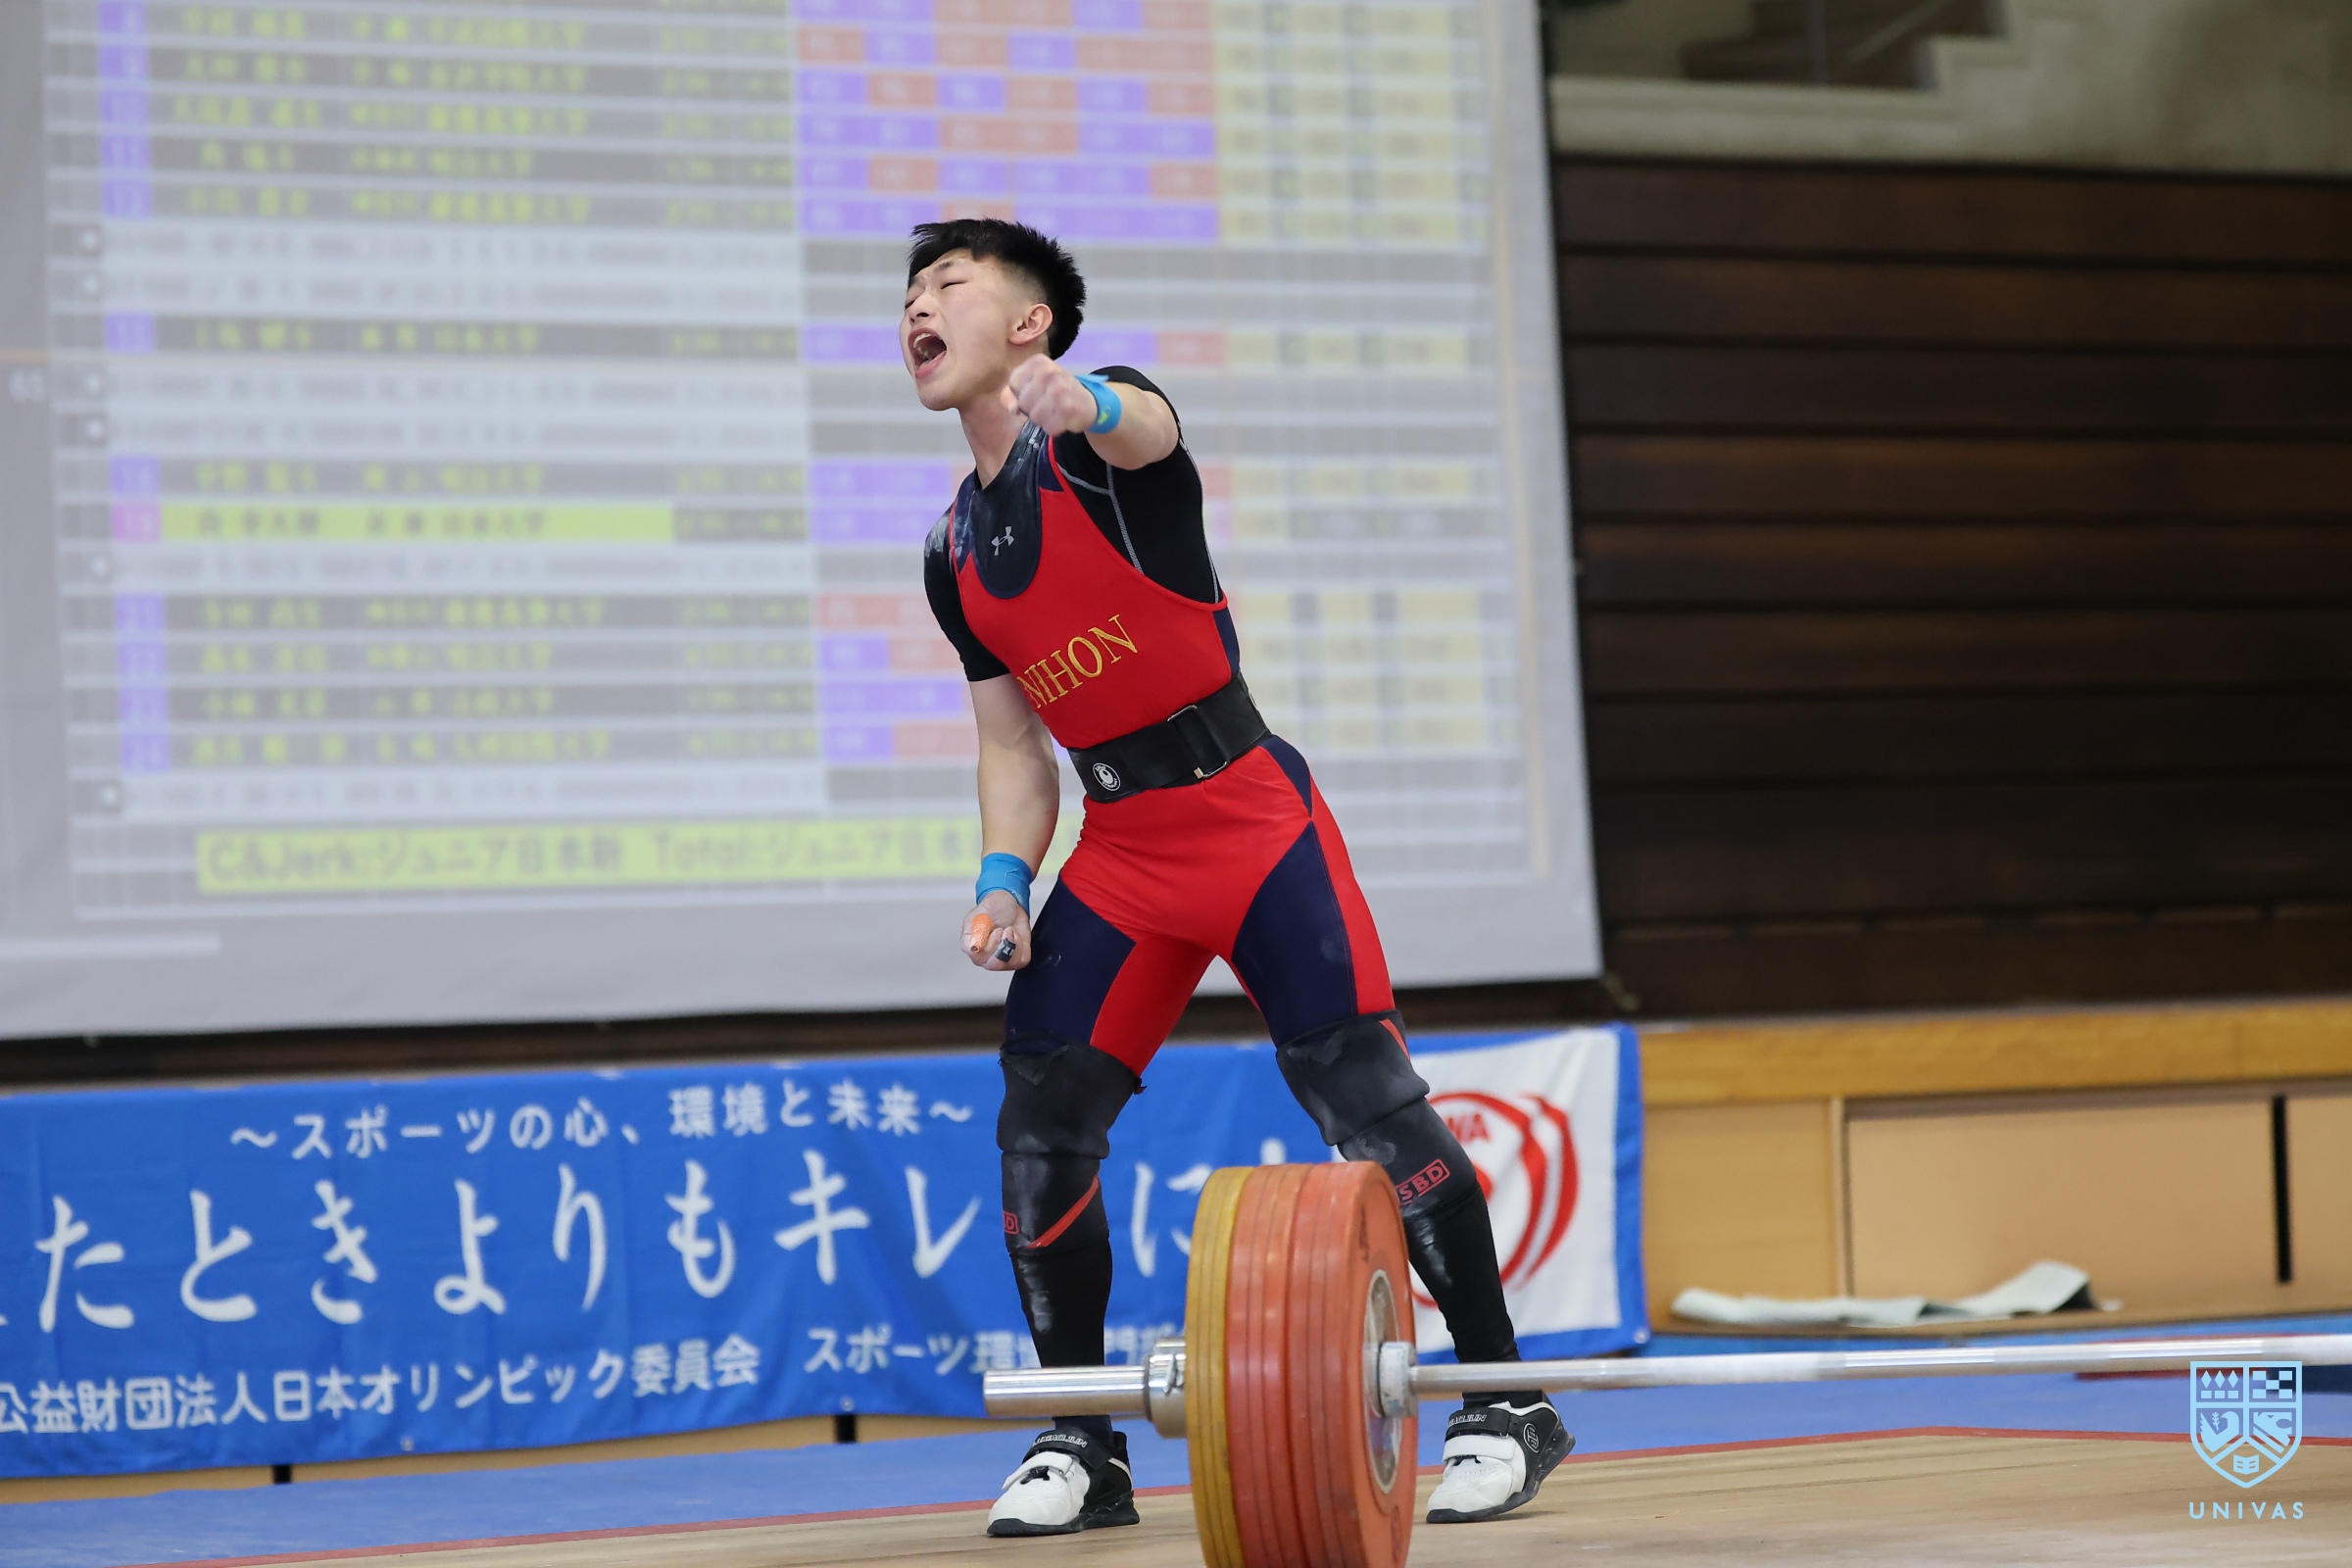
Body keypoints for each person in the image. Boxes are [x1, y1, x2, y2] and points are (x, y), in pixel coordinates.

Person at [901, 218, 1571, 1538]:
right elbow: (1013, 748)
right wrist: (1002, 879)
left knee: (1366, 1100)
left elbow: (1146, 426)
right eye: (910, 292)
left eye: (950, 283)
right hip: (1123, 853)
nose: (918, 306)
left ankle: (1507, 1404)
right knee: (1041, 1123)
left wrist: (1087, 403)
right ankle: (1082, 1442)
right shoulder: (949, 553)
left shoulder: (1101, 442)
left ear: (1030, 322)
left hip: (1252, 820)